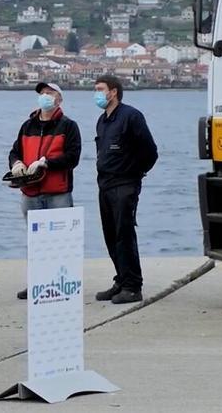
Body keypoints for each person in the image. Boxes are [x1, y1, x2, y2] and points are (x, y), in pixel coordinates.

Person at [8, 82, 82, 300]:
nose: (45, 96)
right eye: (42, 93)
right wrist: (16, 163)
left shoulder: (68, 126)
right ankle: (37, 284)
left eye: (50, 93)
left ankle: (61, 285)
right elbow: (14, 151)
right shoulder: (27, 126)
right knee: (36, 242)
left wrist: (46, 163)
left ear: (59, 99)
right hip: (30, 192)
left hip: (57, 192)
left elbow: (73, 157)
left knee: (61, 242)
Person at [93, 75, 158, 304]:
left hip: (125, 185)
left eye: (100, 89)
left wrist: (135, 173)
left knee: (124, 234)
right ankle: (121, 280)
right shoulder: (103, 120)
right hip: (105, 185)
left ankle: (133, 286)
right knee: (110, 235)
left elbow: (150, 151)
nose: (97, 93)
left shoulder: (131, 116)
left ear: (113, 92)